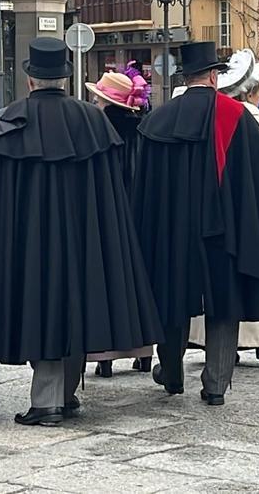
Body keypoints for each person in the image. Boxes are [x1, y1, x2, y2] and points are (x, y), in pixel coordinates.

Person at [0, 37, 164, 427]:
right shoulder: (92, 120)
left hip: (24, 239)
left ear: (30, 80)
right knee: (73, 305)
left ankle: (48, 402)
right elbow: (109, 189)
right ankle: (62, 394)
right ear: (65, 78)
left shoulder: (8, 120)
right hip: (84, 236)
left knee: (37, 307)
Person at [133, 41, 259, 406]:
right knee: (223, 304)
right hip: (223, 230)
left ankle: (173, 375)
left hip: (171, 231)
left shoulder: (156, 121)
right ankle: (216, 383)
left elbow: (143, 186)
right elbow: (258, 181)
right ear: (213, 76)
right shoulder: (236, 117)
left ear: (186, 77)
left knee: (172, 297)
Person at [187, 49, 259, 367]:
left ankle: (216, 344)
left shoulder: (206, 114)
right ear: (252, 90)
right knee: (255, 272)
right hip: (257, 210)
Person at [84, 71, 154, 378]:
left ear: (104, 99)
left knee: (108, 282)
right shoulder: (145, 129)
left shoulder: (97, 129)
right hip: (141, 215)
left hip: (108, 214)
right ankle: (145, 354)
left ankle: (106, 359)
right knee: (143, 284)